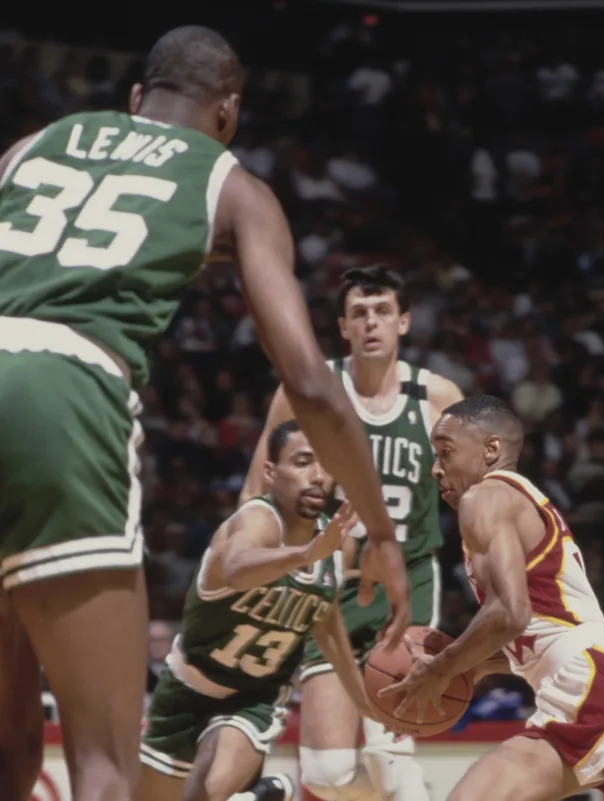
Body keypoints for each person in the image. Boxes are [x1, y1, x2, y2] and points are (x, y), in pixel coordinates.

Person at [0, 26, 406, 801]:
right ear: (228, 113)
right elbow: (311, 383)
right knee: (105, 762)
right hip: (62, 389)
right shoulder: (231, 185)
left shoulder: (33, 146)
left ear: (134, 100)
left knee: (10, 739)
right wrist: (380, 530)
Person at [381, 395, 604, 801]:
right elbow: (540, 629)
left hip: (601, 682)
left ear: (491, 450)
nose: (436, 469)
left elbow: (510, 613)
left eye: (446, 453)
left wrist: (443, 667)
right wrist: (475, 669)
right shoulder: (508, 502)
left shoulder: (486, 497)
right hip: (570, 688)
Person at [241, 265, 464, 801]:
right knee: (326, 774)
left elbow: (477, 494)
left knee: (390, 756)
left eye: (383, 311)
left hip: (405, 583)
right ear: (342, 327)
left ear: (404, 322)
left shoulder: (436, 398)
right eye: (359, 313)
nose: (371, 323)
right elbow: (256, 490)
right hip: (327, 590)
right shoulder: (308, 393)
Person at [140, 421, 377, 801]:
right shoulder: (258, 520)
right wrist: (304, 554)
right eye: (302, 462)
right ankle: (260, 795)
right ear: (270, 472)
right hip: (186, 689)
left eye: (325, 465)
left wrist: (366, 702)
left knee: (199, 797)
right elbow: (235, 569)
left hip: (255, 698)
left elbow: (327, 625)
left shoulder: (338, 547)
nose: (317, 475)